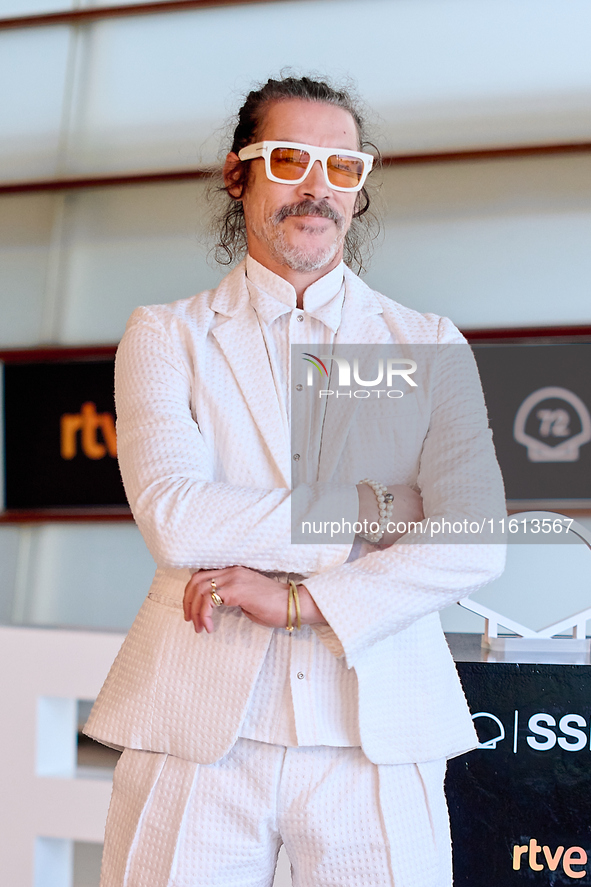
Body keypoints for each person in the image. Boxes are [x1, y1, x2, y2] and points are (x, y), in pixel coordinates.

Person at [85, 75, 506, 887]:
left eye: (341, 167)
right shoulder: (166, 334)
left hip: (377, 730)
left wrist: (302, 600)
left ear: (359, 189)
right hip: (196, 728)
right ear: (237, 175)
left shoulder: (428, 341)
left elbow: (475, 539)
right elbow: (175, 517)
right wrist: (373, 510)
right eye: (288, 159)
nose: (316, 186)